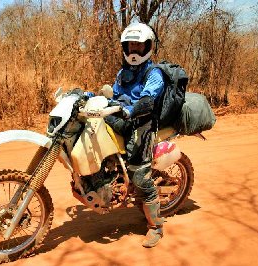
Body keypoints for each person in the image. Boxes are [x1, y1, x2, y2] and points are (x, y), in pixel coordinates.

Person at [106, 22, 166, 248]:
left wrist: (132, 110)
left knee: (139, 175)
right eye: (130, 45)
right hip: (123, 118)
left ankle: (156, 226)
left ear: (148, 47)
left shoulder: (154, 73)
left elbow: (148, 101)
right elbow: (114, 95)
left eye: (138, 46)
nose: (134, 50)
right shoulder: (123, 72)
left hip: (144, 122)